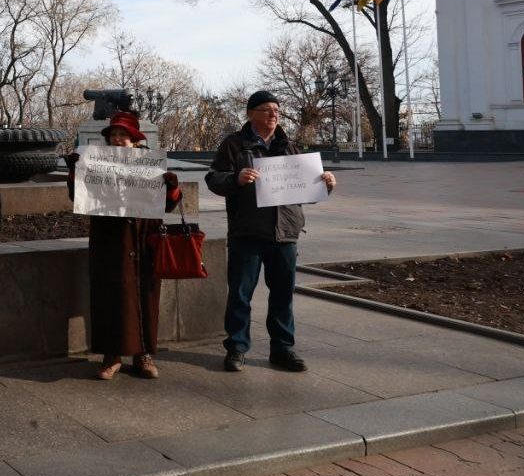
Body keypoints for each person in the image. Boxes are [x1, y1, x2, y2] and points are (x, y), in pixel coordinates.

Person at [206, 90, 336, 372]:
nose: (274, 114)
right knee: (241, 294)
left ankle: (282, 349)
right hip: (247, 232)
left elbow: (305, 190)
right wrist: (235, 178)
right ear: (251, 114)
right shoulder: (235, 144)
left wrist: (324, 184)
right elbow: (213, 179)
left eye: (276, 110)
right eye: (266, 109)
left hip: (285, 232)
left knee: (282, 294)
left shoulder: (290, 146)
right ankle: (237, 347)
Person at [66, 112, 182, 380]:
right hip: (110, 241)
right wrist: (75, 172)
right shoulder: (96, 163)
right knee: (110, 296)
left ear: (134, 140)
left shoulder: (151, 164)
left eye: (123, 136)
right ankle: (111, 356)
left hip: (144, 239)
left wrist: (172, 187)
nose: (118, 140)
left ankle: (144, 354)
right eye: (114, 136)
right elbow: (77, 197)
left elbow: (169, 203)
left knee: (145, 296)